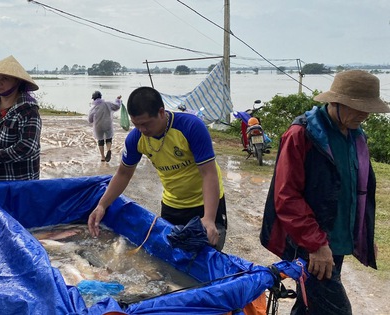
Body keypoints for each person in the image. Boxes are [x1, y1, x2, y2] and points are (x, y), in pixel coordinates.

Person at [260, 70, 389, 315]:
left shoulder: (356, 136)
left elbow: (356, 192)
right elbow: (287, 197)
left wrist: (363, 234)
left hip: (336, 244)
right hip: (311, 245)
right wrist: (315, 244)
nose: (365, 114)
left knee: (309, 308)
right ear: (335, 102)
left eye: (369, 107)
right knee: (337, 311)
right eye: (357, 106)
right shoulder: (302, 135)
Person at [87, 86, 227, 250]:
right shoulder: (136, 138)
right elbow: (123, 174)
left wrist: (209, 218)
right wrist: (102, 205)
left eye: (146, 124)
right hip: (172, 205)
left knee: (207, 255)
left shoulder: (191, 127)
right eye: (136, 125)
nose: (142, 130)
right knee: (171, 257)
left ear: (161, 112)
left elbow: (208, 173)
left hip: (205, 203)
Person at [88, 90, 122, 162]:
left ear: (93, 99)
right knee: (109, 139)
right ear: (100, 97)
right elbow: (117, 106)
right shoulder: (107, 104)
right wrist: (118, 100)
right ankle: (109, 149)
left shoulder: (93, 108)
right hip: (107, 124)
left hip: (98, 126)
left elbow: (90, 120)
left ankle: (103, 157)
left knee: (100, 141)